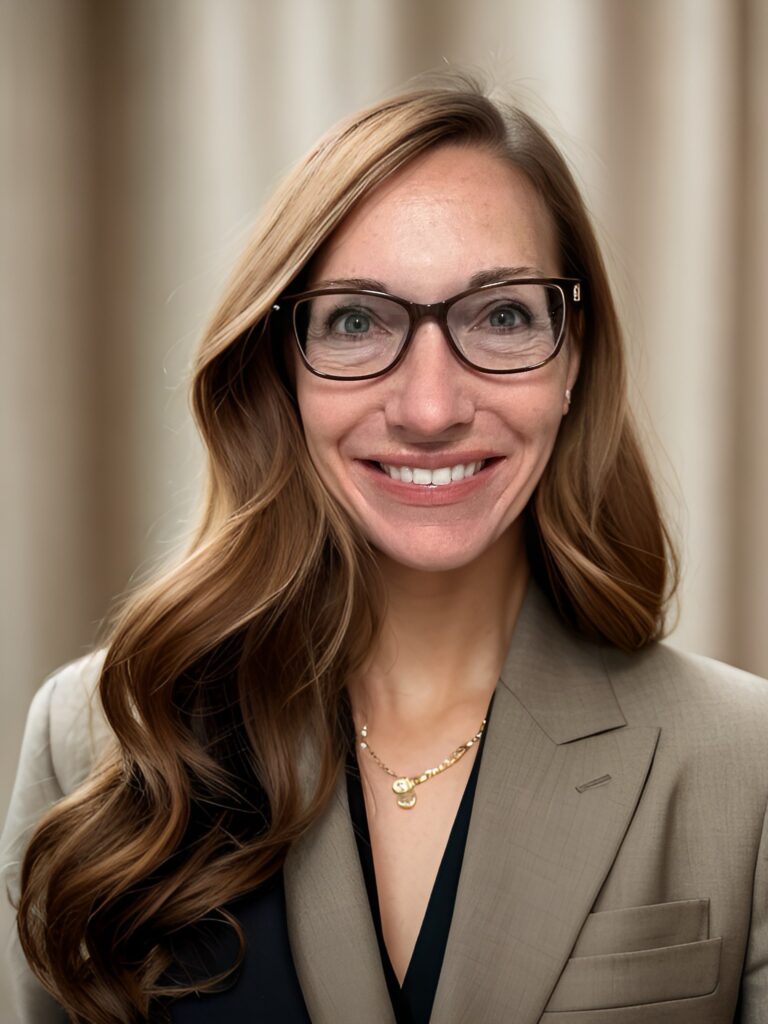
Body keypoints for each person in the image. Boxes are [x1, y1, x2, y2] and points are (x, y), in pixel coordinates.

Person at [2, 70, 768, 1024]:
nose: (432, 408)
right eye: (359, 321)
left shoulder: (745, 763)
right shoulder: (101, 741)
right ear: (282, 368)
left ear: (574, 358)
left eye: (502, 316)